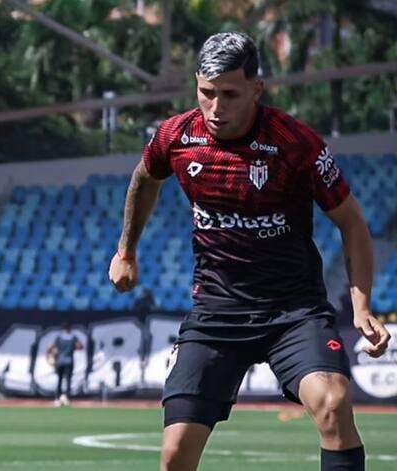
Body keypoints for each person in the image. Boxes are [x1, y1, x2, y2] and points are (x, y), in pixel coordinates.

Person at [108, 31, 391, 471]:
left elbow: (351, 221)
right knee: (174, 454)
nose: (216, 107)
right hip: (217, 312)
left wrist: (361, 306)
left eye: (229, 94)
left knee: (334, 404)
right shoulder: (176, 137)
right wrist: (126, 250)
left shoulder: (295, 144)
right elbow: (145, 177)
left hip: (294, 311)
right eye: (206, 93)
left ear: (256, 89)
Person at [46, 323, 84, 407]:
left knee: (59, 381)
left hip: (60, 361)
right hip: (69, 362)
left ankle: (57, 399)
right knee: (68, 381)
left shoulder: (59, 337)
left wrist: (52, 355)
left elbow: (49, 348)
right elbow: (81, 346)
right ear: (70, 328)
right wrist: (73, 348)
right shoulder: (73, 337)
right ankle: (66, 398)